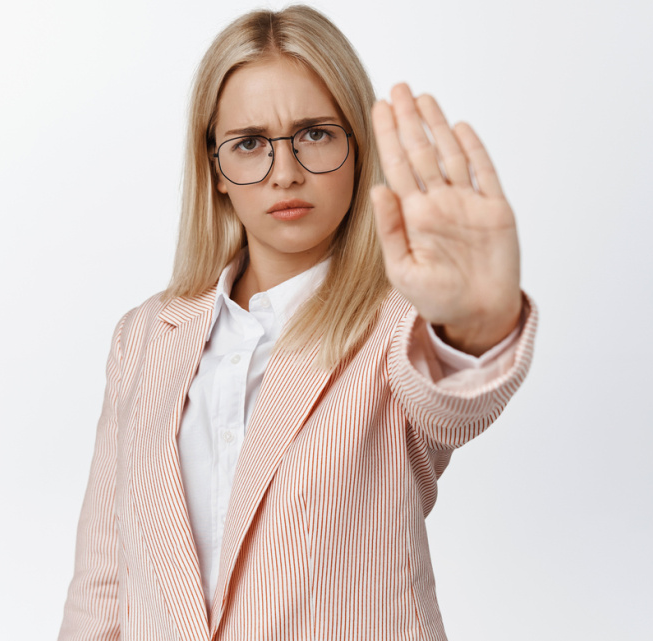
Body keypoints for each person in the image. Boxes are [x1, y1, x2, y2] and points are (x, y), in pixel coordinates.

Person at [57, 5, 537, 640]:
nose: (285, 171)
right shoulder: (146, 336)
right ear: (216, 167)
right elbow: (103, 583)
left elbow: (451, 403)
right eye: (250, 142)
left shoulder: (400, 327)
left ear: (357, 145)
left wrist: (476, 323)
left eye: (314, 133)